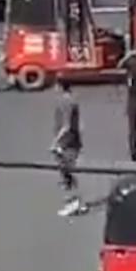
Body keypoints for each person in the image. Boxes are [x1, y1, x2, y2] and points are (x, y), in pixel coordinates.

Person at [49, 79, 86, 217]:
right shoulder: (72, 100)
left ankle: (72, 203)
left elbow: (66, 126)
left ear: (59, 87)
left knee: (66, 174)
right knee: (70, 172)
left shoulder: (65, 103)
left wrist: (56, 142)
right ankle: (78, 203)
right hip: (73, 141)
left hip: (66, 142)